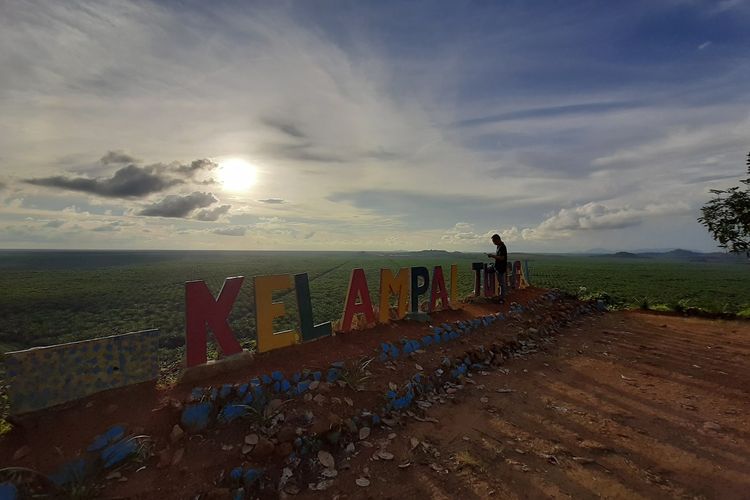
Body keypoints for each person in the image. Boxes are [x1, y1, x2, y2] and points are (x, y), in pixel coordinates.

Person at [487, 234, 507, 302]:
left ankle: (502, 298)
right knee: (501, 282)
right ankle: (497, 294)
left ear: (497, 240)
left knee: (502, 283)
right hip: (498, 267)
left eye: (494, 241)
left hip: (501, 268)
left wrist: (492, 256)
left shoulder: (502, 247)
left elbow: (502, 258)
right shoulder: (499, 246)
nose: (493, 243)